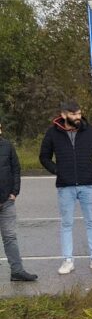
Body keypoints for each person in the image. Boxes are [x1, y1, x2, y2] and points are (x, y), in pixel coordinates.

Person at [40, 101, 92, 274]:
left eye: (79, 114)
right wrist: (57, 171)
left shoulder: (90, 131)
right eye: (73, 114)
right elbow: (44, 156)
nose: (78, 117)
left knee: (91, 222)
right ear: (64, 115)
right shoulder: (52, 133)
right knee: (66, 223)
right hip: (65, 186)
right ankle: (67, 261)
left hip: (88, 185)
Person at [0, 119, 37, 282]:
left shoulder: (7, 146)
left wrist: (14, 192)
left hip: (7, 201)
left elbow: (16, 169)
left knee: (10, 237)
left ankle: (17, 271)